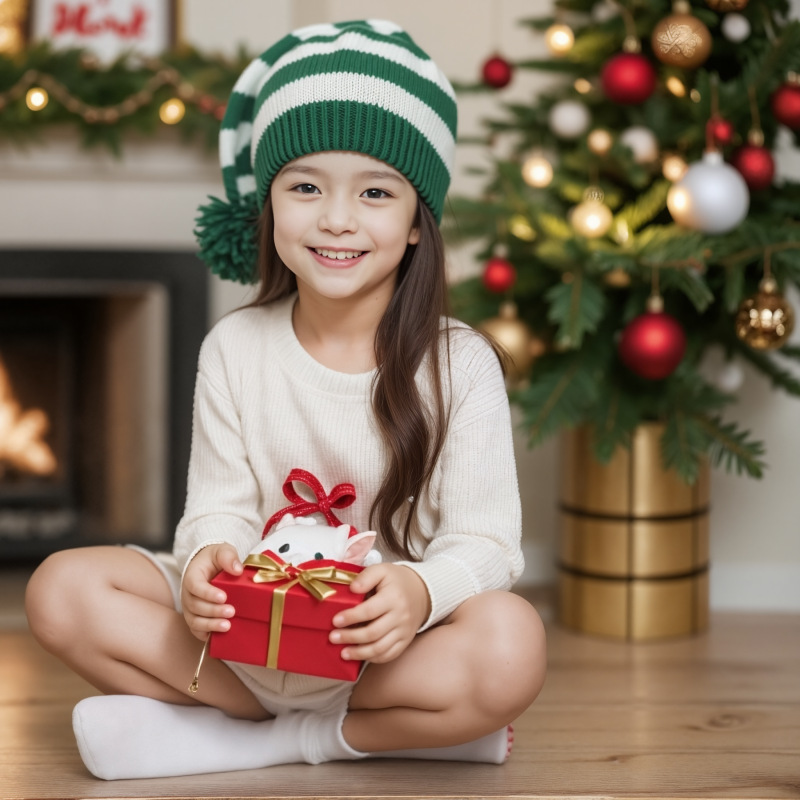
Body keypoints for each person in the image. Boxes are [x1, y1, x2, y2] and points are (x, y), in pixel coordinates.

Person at [25, 19, 546, 781]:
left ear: (414, 225)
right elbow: (218, 507)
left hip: (378, 645)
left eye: (375, 192)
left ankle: (257, 740)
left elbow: (490, 541)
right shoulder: (235, 347)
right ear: (268, 205)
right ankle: (377, 732)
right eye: (305, 187)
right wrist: (208, 561)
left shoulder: (459, 364)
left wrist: (417, 588)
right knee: (60, 590)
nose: (336, 218)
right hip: (247, 634)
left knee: (511, 642)